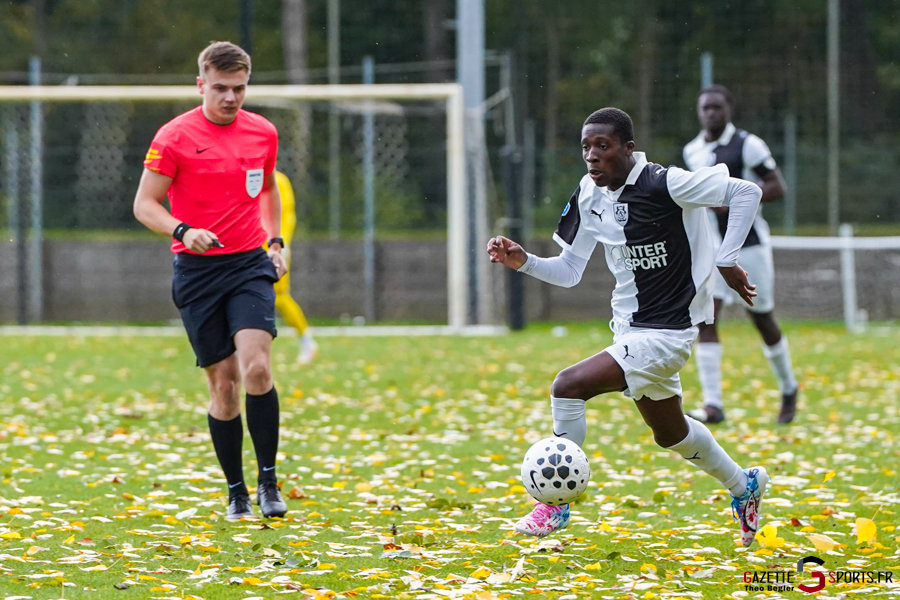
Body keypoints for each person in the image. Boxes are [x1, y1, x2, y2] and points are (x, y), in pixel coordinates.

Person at [487, 108, 768, 547]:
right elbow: (569, 270)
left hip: (669, 332)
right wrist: (523, 261)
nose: (593, 157)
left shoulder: (665, 182)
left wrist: (727, 258)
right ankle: (744, 485)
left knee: (568, 385)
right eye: (586, 147)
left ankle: (555, 506)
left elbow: (747, 191)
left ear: (627, 148)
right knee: (671, 434)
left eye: (603, 146)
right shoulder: (589, 193)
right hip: (630, 332)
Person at [134, 41, 288, 521]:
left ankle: (268, 482)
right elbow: (144, 205)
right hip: (198, 272)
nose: (230, 98)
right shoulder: (174, 136)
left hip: (248, 265)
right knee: (224, 387)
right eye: (220, 88)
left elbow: (267, 190)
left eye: (239, 88)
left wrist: (277, 242)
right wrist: (182, 230)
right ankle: (236, 491)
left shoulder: (263, 132)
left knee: (257, 369)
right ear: (201, 84)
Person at [682, 85, 800, 425]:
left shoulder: (748, 144)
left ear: (729, 109)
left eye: (717, 107)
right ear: (699, 111)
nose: (711, 113)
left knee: (762, 319)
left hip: (748, 246)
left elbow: (777, 186)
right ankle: (713, 405)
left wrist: (734, 201)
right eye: (705, 108)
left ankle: (789, 387)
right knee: (706, 318)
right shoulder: (692, 151)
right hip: (711, 250)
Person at [270, 171, 318, 364]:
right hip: (249, 247)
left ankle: (306, 338)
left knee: (280, 296)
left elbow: (286, 215)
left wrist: (282, 243)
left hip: (271, 248)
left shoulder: (278, 180)